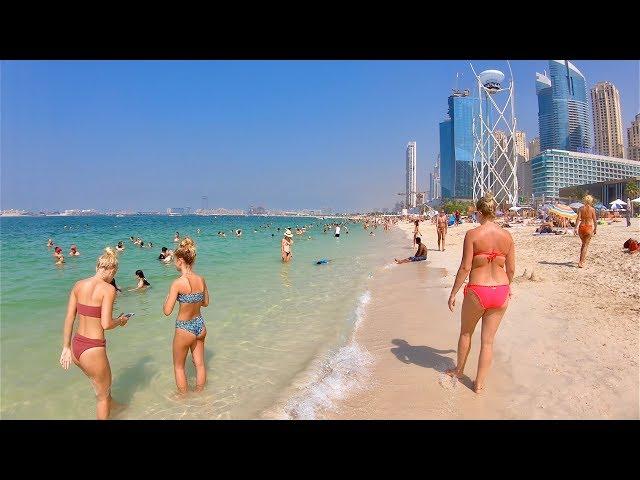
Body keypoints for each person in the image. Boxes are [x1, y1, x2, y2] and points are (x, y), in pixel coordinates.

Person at [445, 192, 515, 394]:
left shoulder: (473, 235)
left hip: (478, 291)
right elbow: (510, 270)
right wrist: (507, 288)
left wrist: (453, 293)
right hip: (501, 291)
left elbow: (465, 267)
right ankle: (479, 384)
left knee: (466, 332)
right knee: (488, 342)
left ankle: (459, 371)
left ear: (479, 212)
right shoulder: (507, 236)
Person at [58, 247, 129, 419]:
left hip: (76, 347)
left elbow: (69, 317)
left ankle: (117, 409)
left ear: (97, 267)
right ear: (112, 270)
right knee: (102, 397)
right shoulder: (108, 290)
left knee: (102, 387)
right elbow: (105, 324)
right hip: (93, 349)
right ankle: (108, 408)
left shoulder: (78, 285)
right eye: (114, 273)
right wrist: (120, 321)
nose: (113, 277)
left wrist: (66, 347)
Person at [163, 237, 209, 393]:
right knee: (200, 365)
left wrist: (166, 300)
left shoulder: (177, 283)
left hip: (184, 328)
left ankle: (184, 402)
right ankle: (201, 396)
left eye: (175, 259)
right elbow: (205, 303)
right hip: (200, 325)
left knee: (179, 367)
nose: (175, 262)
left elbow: (167, 311)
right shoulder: (201, 279)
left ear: (180, 260)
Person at [574, 194, 597, 268]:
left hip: (581, 227)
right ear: (591, 201)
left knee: (583, 244)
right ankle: (581, 262)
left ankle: (582, 260)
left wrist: (575, 228)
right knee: (585, 245)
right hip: (589, 227)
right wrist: (595, 228)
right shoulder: (592, 209)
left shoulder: (581, 208)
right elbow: (595, 220)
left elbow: (578, 219)